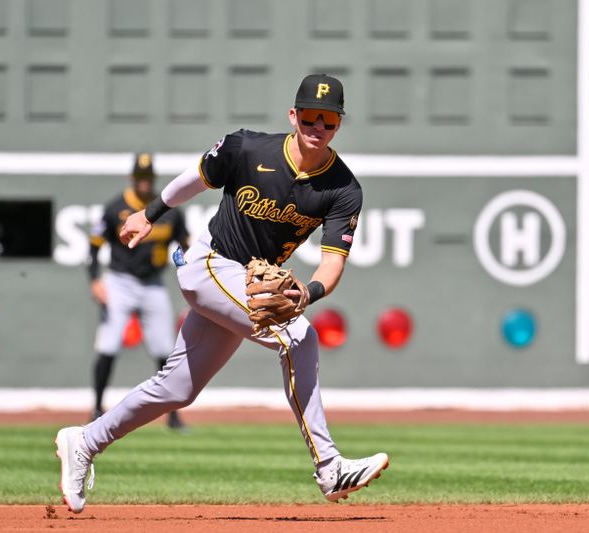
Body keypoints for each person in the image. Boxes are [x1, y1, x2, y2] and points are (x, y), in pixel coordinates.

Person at [56, 74, 389, 513]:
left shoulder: (343, 189)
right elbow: (194, 179)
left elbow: (333, 263)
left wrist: (306, 294)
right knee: (298, 337)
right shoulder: (247, 148)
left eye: (327, 120)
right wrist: (149, 214)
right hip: (209, 265)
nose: (317, 127)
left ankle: (83, 441)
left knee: (177, 388)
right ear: (294, 115)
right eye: (310, 116)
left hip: (245, 285)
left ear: (338, 125)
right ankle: (329, 466)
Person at [86, 152, 190, 430]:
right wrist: (95, 280)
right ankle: (96, 408)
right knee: (108, 344)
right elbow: (94, 246)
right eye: (140, 177)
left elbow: (185, 245)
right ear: (133, 178)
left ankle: (173, 414)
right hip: (119, 281)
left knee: (165, 350)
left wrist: (191, 276)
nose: (145, 182)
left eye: (149, 177)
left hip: (152, 282)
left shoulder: (168, 210)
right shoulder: (115, 208)